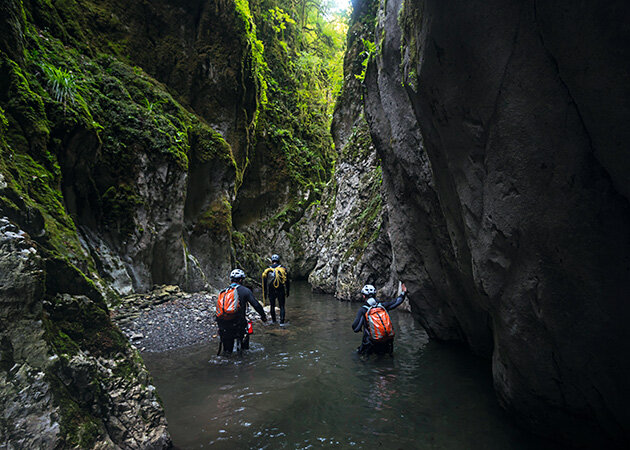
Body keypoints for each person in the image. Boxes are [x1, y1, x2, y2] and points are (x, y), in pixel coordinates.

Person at [216, 269, 267, 355]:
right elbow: (256, 305)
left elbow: (219, 309)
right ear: (240, 280)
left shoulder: (224, 291)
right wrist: (263, 316)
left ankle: (225, 366)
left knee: (227, 352)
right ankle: (244, 362)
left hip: (224, 325)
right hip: (238, 324)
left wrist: (219, 326)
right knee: (244, 351)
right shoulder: (245, 290)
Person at [352, 283, 407, 356]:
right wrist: (404, 292)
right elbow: (397, 301)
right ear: (375, 295)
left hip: (371, 343)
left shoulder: (363, 310)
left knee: (357, 355)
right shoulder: (383, 306)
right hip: (387, 342)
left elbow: (355, 328)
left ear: (364, 296)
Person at [261, 254, 290, 323]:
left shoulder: (267, 270)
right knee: (282, 306)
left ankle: (274, 321)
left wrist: (264, 294)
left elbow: (264, 283)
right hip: (280, 290)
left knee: (272, 305)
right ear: (278, 261)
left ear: (272, 261)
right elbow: (287, 281)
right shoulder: (283, 269)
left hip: (271, 290)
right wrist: (287, 291)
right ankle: (282, 322)